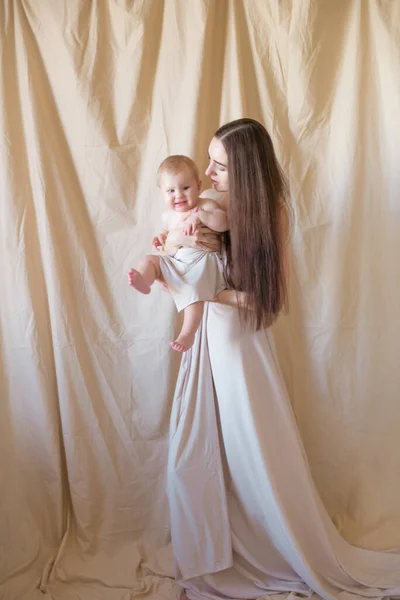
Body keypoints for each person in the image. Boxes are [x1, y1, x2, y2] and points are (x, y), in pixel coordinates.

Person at [165, 118, 400, 600]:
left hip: (241, 349)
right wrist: (176, 248)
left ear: (246, 171)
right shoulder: (213, 206)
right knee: (199, 454)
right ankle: (214, 551)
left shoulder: (270, 212)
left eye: (220, 166)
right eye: (208, 161)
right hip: (209, 340)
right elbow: (179, 253)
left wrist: (209, 294)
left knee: (254, 459)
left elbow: (267, 302)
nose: (208, 173)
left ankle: (268, 552)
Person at [128, 155, 227, 352]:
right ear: (162, 194)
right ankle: (144, 280)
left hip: (202, 262)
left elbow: (224, 223)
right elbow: (167, 237)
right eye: (171, 191)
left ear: (198, 186)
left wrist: (201, 216)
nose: (178, 195)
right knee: (149, 260)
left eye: (185, 188)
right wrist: (161, 238)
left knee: (194, 293)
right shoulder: (168, 215)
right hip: (177, 261)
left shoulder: (206, 204)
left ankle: (187, 332)